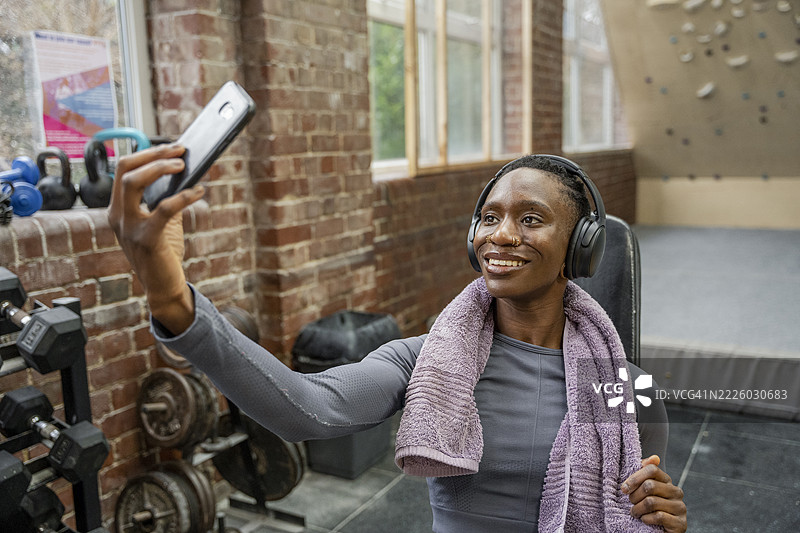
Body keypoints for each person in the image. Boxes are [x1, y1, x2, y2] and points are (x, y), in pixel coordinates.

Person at [108, 144, 687, 533]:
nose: (501, 235)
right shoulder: (431, 362)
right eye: (489, 218)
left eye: (531, 219)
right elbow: (306, 409)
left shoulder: (622, 386)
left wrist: (666, 517)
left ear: (580, 246)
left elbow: (643, 506)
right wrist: (171, 297)